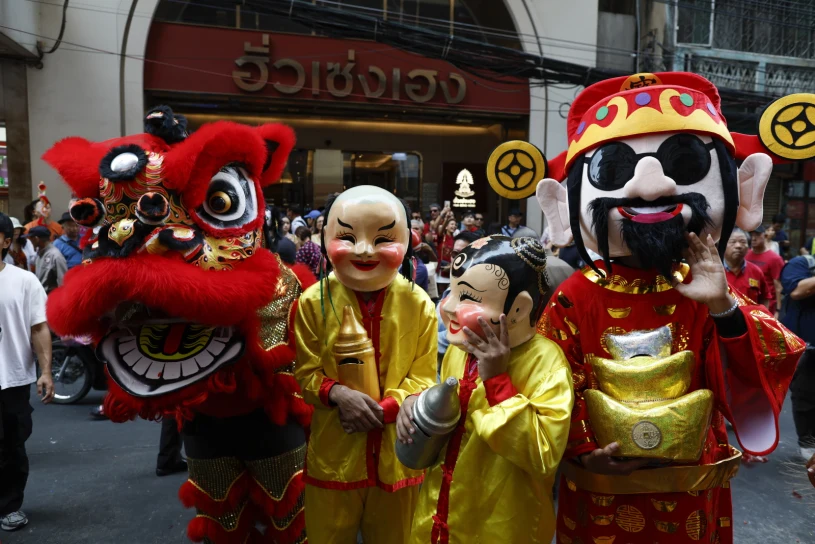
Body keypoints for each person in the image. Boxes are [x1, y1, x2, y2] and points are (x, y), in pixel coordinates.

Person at [534, 71, 805, 543]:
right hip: (602, 486)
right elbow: (549, 379)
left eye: (683, 162)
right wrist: (580, 449)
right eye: (614, 171)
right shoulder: (574, 294)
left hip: (690, 491)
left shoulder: (704, 285)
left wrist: (723, 307)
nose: (651, 186)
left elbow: (757, 372)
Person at [43, 106, 311, 543]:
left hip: (272, 424)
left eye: (218, 201)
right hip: (204, 427)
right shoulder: (137, 292)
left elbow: (307, 359)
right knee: (221, 521)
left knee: (288, 518)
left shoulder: (285, 281)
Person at [403, 236, 573, 543]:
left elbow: (542, 455)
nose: (450, 308)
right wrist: (417, 406)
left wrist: (497, 382)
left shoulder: (546, 362)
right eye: (451, 293)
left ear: (519, 309)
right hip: (440, 512)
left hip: (501, 523)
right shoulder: (461, 348)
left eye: (467, 297)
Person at [294, 185, 437, 544]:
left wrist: (386, 408)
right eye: (347, 236)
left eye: (383, 238)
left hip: (398, 454)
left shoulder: (418, 303)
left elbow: (423, 375)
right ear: (325, 237)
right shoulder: (313, 301)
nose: (363, 249)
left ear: (408, 239)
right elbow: (304, 373)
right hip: (334, 453)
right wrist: (337, 393)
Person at [0, 212, 54, 532]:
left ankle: (9, 506)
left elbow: (39, 328)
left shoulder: (24, 280)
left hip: (13, 378)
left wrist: (45, 372)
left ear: (7, 241)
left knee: (12, 445)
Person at [781, 254, 815, 460]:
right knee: (805, 395)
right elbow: (797, 291)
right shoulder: (801, 263)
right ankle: (807, 441)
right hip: (804, 347)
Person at [724, 228, 770, 309]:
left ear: (748, 247)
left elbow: (765, 298)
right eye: (733, 242)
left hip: (749, 320)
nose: (738, 246)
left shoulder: (756, 271)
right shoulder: (714, 271)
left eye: (743, 242)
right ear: (723, 246)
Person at [746, 225, 785, 315]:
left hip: (767, 307)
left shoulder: (775, 258)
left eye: (757, 235)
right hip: (747, 304)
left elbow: (778, 286)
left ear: (765, 236)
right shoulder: (745, 254)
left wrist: (778, 310)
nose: (753, 238)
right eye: (751, 235)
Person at [28, 225, 67, 293]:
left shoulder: (56, 256)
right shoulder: (39, 253)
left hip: (50, 298)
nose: (30, 241)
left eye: (31, 239)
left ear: (36, 239)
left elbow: (63, 282)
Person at [435, 217, 458, 287]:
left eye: (455, 225)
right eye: (451, 224)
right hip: (442, 268)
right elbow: (440, 230)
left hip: (451, 268)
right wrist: (446, 217)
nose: (454, 226)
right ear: (446, 227)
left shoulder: (455, 239)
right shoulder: (442, 237)